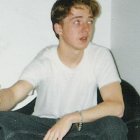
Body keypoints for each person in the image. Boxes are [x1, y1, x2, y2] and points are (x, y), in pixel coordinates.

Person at [0, 0, 128, 140]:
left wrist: (70, 118)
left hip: (81, 127)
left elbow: (117, 106)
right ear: (59, 29)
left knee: (114, 125)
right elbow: (13, 94)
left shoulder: (100, 55)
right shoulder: (46, 59)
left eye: (90, 21)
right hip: (44, 129)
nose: (86, 29)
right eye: (77, 22)